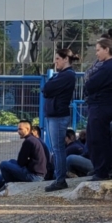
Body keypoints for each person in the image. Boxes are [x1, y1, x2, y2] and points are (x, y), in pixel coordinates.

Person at [0, 120, 48, 195]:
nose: (18, 131)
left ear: (28, 129)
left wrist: (25, 161)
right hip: (37, 174)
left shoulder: (29, 142)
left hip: (34, 177)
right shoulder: (33, 140)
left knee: (3, 164)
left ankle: (7, 184)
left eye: (20, 129)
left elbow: (21, 162)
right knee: (11, 162)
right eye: (18, 129)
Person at [83, 38, 112, 181]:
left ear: (106, 49)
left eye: (98, 50)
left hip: (101, 106)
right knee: (97, 137)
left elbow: (90, 84)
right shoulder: (110, 66)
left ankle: (102, 170)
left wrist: (90, 83)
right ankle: (102, 168)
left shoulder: (108, 67)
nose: (97, 53)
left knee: (98, 138)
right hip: (101, 105)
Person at [42, 48, 77, 192]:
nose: (55, 62)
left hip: (58, 115)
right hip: (53, 115)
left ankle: (60, 179)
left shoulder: (67, 75)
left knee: (58, 149)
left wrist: (50, 88)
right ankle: (59, 178)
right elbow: (47, 88)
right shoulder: (61, 75)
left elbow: (47, 89)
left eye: (57, 59)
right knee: (56, 148)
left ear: (65, 59)